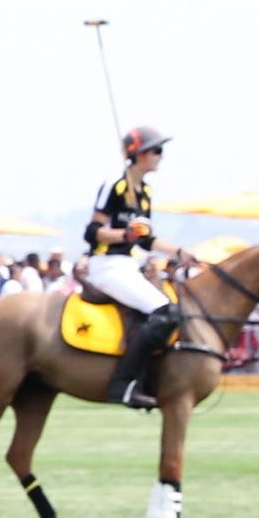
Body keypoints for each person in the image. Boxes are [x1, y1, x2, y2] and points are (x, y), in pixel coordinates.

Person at [89, 126, 182, 407]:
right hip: (106, 264)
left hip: (130, 264)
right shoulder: (115, 184)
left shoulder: (145, 192)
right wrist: (125, 235)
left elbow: (147, 239)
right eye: (157, 151)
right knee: (164, 311)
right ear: (139, 154)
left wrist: (181, 252)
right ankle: (123, 385)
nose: (160, 157)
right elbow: (93, 231)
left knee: (172, 309)